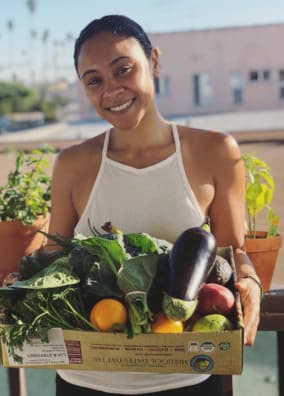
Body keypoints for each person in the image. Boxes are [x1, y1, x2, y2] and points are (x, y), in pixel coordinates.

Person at [47, 14, 262, 396]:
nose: (111, 90)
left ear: (155, 62)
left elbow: (233, 252)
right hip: (86, 378)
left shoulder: (214, 151)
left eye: (123, 69)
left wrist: (251, 282)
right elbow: (52, 257)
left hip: (185, 376)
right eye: (94, 80)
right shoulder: (72, 165)